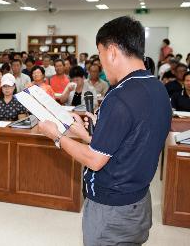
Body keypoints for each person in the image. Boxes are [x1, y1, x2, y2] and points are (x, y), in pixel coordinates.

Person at [39, 16, 171, 245]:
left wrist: (57, 136)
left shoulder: (120, 96)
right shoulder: (157, 88)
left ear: (111, 51)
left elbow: (95, 160)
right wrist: (84, 134)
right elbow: (129, 143)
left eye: (99, 54)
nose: (100, 62)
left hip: (112, 211)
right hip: (139, 202)